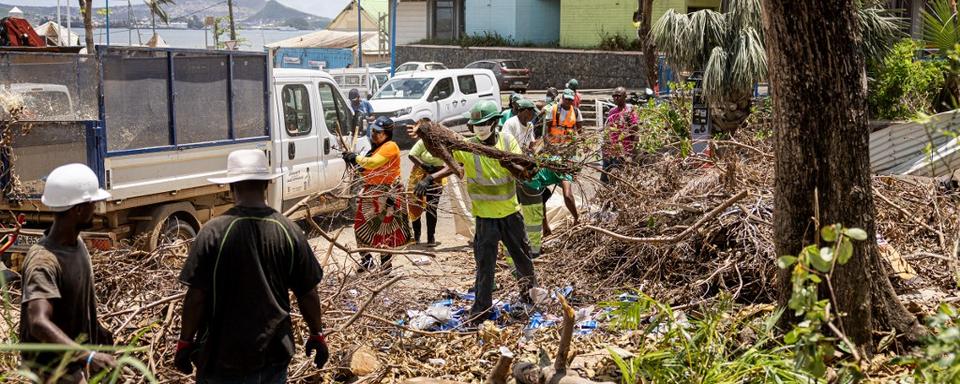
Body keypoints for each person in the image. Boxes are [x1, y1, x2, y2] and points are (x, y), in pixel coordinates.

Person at [176, 149, 328, 382]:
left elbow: (196, 296)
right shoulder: (289, 231)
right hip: (272, 355)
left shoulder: (212, 233)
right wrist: (317, 334)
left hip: (221, 357)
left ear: (231, 187)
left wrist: (185, 341)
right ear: (266, 184)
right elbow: (307, 292)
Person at [416, 101, 537, 324]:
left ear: (494, 123)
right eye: (476, 125)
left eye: (484, 124)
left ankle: (529, 298)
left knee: (522, 260)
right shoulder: (468, 147)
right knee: (484, 265)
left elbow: (522, 172)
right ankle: (482, 308)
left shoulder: (506, 141)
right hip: (485, 218)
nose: (480, 129)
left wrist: (504, 160)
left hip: (510, 214)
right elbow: (454, 166)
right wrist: (431, 178)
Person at [19, 163, 117, 382]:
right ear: (78, 209)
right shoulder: (44, 261)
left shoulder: (77, 244)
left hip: (73, 362)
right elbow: (38, 322)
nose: (96, 208)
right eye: (92, 203)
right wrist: (88, 356)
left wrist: (97, 331)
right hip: (54, 370)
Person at [342, 117, 412, 272]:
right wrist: (354, 162)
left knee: (384, 230)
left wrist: (355, 158)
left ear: (387, 133)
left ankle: (386, 266)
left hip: (387, 194)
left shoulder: (390, 146)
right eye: (373, 130)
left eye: (378, 132)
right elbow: (366, 169)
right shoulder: (374, 148)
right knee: (360, 227)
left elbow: (374, 163)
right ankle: (367, 262)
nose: (374, 134)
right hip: (371, 192)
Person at [407, 138, 446, 247]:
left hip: (437, 175)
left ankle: (431, 236)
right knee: (415, 204)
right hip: (420, 173)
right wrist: (424, 165)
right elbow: (411, 155)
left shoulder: (442, 142)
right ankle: (416, 234)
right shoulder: (422, 141)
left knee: (432, 207)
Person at [602, 87, 639, 183]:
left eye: (618, 96)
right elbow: (608, 131)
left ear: (625, 97)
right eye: (614, 96)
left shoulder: (629, 112)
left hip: (623, 152)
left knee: (617, 179)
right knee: (605, 181)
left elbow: (635, 133)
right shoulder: (612, 112)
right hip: (610, 152)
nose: (616, 98)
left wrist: (631, 155)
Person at [543, 88, 583, 156]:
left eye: (570, 99)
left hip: (569, 144)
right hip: (554, 144)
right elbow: (547, 127)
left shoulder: (576, 111)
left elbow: (580, 129)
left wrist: (582, 142)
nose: (568, 101)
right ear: (563, 98)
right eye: (566, 99)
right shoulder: (553, 109)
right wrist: (547, 144)